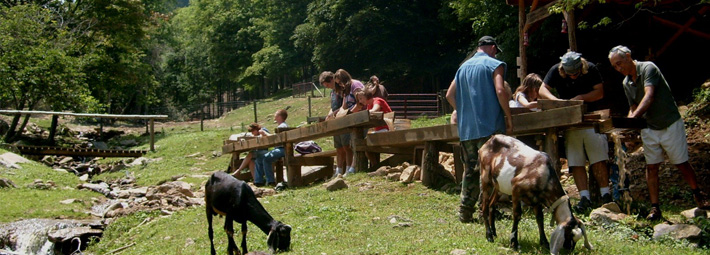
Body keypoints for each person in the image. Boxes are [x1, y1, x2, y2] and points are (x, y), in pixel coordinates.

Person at [608, 45, 710, 220]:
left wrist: (633, 120)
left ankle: (697, 194)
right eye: (615, 66)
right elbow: (632, 107)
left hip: (669, 122)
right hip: (649, 126)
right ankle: (655, 208)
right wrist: (627, 128)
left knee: (681, 163)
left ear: (628, 56)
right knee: (651, 166)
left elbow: (649, 96)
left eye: (620, 63)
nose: (619, 68)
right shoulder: (626, 83)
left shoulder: (648, 68)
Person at [445, 35, 512, 223]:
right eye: (495, 50)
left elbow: (450, 95)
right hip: (490, 128)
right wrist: (508, 116)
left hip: (467, 131)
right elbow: (500, 91)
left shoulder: (462, 67)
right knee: (490, 171)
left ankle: (465, 212)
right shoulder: (494, 64)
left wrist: (463, 111)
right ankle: (487, 212)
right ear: (492, 48)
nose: (495, 53)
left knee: (471, 171)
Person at [539, 51, 611, 212]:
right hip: (570, 124)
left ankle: (605, 194)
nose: (572, 77)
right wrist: (557, 102)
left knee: (598, 159)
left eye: (575, 74)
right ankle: (584, 197)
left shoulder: (591, 69)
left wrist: (581, 97)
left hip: (591, 120)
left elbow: (599, 92)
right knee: (576, 162)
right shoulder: (555, 70)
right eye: (569, 74)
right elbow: (543, 90)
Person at [334, 69, 364, 176]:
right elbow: (344, 106)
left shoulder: (355, 85)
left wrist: (349, 113)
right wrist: (338, 115)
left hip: (360, 117)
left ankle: (353, 168)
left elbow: (361, 101)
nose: (340, 85)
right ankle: (347, 169)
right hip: (350, 119)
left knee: (355, 143)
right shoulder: (345, 90)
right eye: (338, 83)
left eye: (340, 82)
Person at [257, 109, 289, 186]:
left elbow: (276, 138)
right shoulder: (282, 126)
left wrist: (265, 133)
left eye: (276, 114)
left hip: (283, 149)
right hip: (281, 148)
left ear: (279, 117)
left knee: (266, 158)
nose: (274, 116)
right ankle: (260, 180)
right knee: (259, 159)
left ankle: (270, 181)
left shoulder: (282, 126)